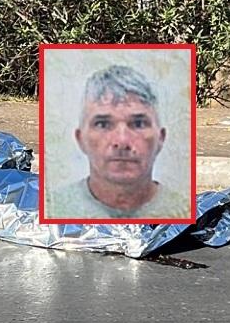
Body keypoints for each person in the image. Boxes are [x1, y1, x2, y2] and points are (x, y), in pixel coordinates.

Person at [47, 65, 189, 219]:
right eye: (103, 124)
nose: (122, 141)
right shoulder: (54, 208)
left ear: (160, 138)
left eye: (138, 124)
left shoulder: (183, 213)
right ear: (81, 139)